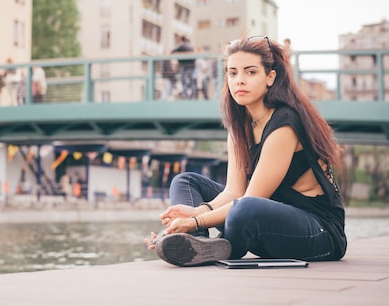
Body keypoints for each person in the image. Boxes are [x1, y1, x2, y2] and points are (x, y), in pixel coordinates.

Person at [145, 36, 347, 267]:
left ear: (270, 77)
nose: (239, 80)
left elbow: (251, 199)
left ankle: (220, 243)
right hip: (260, 218)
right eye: (232, 73)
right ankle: (194, 244)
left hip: (318, 232)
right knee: (185, 181)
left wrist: (195, 220)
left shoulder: (285, 124)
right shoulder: (240, 127)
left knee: (246, 209)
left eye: (250, 72)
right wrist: (192, 215)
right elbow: (233, 192)